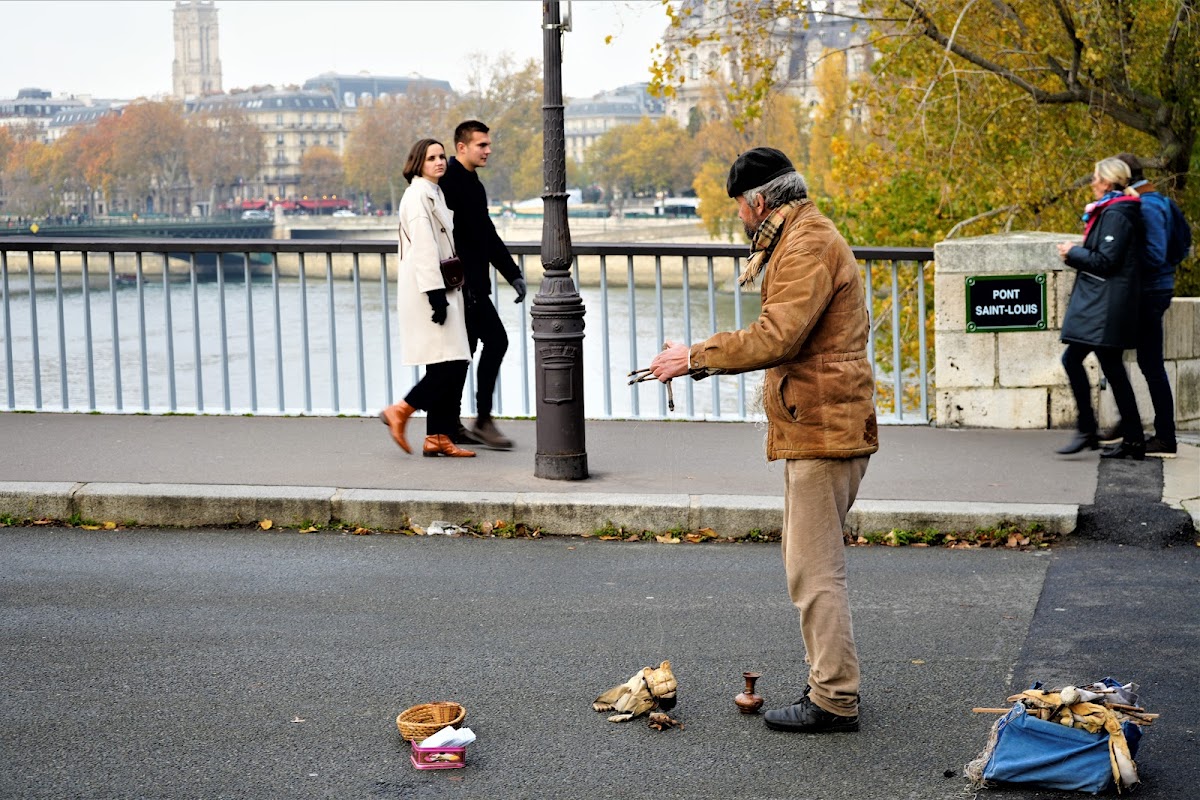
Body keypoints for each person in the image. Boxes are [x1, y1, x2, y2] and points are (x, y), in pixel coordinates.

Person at [650, 147, 878, 734]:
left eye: (741, 211)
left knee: (813, 569)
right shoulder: (804, 237)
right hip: (820, 420)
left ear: (758, 201)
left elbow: (778, 336)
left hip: (823, 427)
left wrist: (695, 356)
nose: (743, 223)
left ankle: (833, 698)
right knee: (811, 565)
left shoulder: (805, 245)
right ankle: (832, 684)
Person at [378, 138, 475, 458]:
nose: (439, 161)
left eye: (441, 156)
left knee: (447, 362)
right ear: (418, 162)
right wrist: (436, 296)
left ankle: (436, 436)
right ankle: (401, 411)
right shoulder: (418, 195)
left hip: (439, 288)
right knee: (449, 363)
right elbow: (423, 248)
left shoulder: (432, 192)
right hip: (429, 290)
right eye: (431, 157)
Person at [438, 120, 527, 450]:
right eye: (482, 145)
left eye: (488, 145)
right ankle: (480, 420)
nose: (488, 150)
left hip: (472, 284)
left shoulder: (472, 183)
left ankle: (450, 425)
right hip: (464, 286)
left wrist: (512, 273)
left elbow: (486, 234)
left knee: (463, 354)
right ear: (462, 147)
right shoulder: (448, 182)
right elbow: (445, 238)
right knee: (495, 342)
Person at [1054, 157, 1145, 460]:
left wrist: (1074, 252)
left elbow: (1107, 261)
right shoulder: (1112, 210)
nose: (1091, 183)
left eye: (1095, 178)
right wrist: (1077, 254)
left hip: (1105, 304)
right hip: (1102, 302)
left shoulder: (1116, 214)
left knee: (1076, 360)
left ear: (1107, 182)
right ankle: (1130, 438)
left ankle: (1089, 429)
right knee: (1112, 368)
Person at [1101, 153, 1179, 457]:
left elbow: (1155, 254)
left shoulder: (1148, 205)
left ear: (1125, 177)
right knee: (1129, 358)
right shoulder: (1153, 199)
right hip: (1150, 290)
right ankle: (1131, 422)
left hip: (1149, 292)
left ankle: (1164, 436)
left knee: (1150, 364)